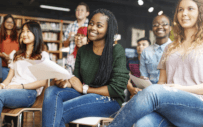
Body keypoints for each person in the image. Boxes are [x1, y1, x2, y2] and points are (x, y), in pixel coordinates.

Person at [107, 0, 203, 126]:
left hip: (197, 106)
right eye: (180, 9)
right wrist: (146, 93)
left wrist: (180, 89)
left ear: (200, 13)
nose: (184, 13)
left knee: (153, 92)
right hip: (169, 104)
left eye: (190, 9)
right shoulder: (170, 48)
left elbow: (159, 90)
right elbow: (161, 82)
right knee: (143, 123)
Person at [42, 9, 129, 127]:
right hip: (86, 94)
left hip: (110, 100)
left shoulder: (116, 50)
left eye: (99, 25)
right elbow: (77, 80)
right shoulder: (83, 50)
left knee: (58, 112)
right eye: (91, 24)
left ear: (108, 30)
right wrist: (64, 83)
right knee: (51, 91)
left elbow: (117, 89)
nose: (93, 28)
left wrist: (85, 89)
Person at [0, 21, 49, 126]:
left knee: (0, 95)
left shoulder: (43, 55)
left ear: (36, 33)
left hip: (29, 93)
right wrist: (2, 85)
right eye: (23, 31)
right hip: (11, 89)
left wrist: (20, 86)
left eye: (28, 31)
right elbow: (9, 78)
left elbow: (42, 82)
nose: (24, 34)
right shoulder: (17, 55)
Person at [139, 14, 172, 84]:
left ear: (170, 28)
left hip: (171, 90)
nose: (159, 27)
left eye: (164, 24)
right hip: (151, 90)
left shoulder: (177, 49)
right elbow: (143, 76)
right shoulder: (145, 52)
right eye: (156, 25)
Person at [0, 14, 19, 82]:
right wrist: (3, 55)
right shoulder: (0, 36)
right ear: (4, 23)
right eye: (8, 21)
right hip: (3, 67)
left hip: (16, 67)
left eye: (12, 22)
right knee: (5, 87)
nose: (10, 23)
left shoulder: (18, 36)